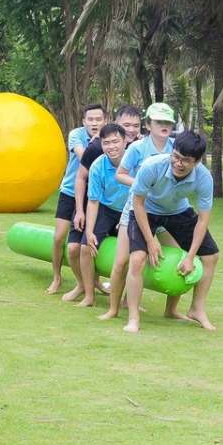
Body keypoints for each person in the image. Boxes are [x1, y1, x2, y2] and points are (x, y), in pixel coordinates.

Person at [122, 130, 219, 333]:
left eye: (185, 160)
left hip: (177, 210)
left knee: (211, 256)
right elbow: (137, 204)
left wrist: (190, 257)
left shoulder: (203, 178)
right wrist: (150, 240)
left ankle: (196, 309)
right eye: (175, 156)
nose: (178, 163)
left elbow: (203, 219)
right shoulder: (152, 166)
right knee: (137, 259)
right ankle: (133, 318)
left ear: (197, 162)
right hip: (146, 210)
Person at [75, 122, 132, 315]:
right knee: (85, 247)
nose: (111, 147)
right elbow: (93, 201)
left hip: (130, 209)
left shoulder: (136, 162)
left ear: (125, 142)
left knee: (134, 253)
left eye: (116, 141)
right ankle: (89, 296)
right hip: (106, 209)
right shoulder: (98, 165)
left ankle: (127, 300)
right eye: (106, 143)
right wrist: (90, 231)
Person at [50, 104, 106, 297]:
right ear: (84, 121)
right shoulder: (76, 135)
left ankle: (94, 281)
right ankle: (57, 277)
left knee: (91, 241)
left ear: (105, 120)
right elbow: (84, 156)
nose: (94, 123)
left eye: (98, 119)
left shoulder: (109, 138)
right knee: (59, 237)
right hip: (69, 192)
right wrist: (97, 141)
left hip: (94, 195)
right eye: (90, 119)